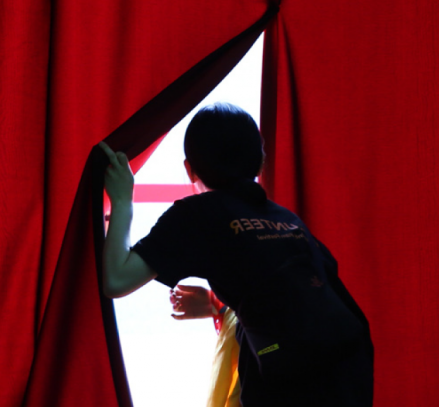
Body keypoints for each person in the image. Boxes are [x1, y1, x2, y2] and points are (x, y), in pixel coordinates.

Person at [99, 102, 373, 406]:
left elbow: (116, 280)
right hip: (350, 372)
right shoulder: (286, 219)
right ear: (260, 162)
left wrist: (122, 199)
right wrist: (218, 305)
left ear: (189, 169)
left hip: (291, 381)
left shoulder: (198, 215)